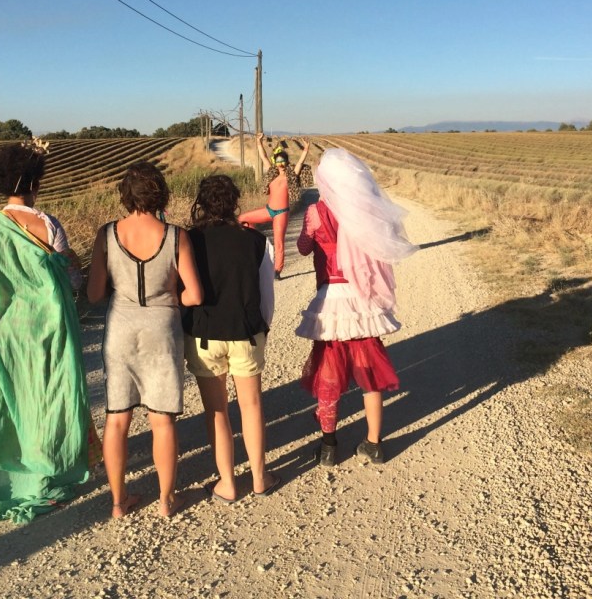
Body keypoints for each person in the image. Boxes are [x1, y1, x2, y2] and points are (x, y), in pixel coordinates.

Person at [0, 138, 91, 524]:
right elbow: (72, 281)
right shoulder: (48, 225)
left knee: (2, 404)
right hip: (44, 331)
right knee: (42, 401)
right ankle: (43, 477)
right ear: (36, 183)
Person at [87, 162, 202, 518]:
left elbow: (94, 294)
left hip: (120, 330)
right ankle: (167, 500)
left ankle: (118, 502)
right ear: (161, 193)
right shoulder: (176, 236)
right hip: (162, 329)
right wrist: (170, 297)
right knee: (162, 419)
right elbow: (194, 294)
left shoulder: (106, 234)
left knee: (116, 418)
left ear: (125, 195)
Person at [294, 148, 417, 466]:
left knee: (328, 374)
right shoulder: (363, 211)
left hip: (331, 298)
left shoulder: (316, 212)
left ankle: (328, 445)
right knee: (369, 375)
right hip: (363, 300)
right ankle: (373, 443)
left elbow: (303, 247)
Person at [182, 174, 281, 502]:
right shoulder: (255, 241)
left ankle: (227, 483)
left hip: (204, 336)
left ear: (201, 203)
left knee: (216, 410)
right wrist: (262, 327)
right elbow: (266, 296)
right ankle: (260, 478)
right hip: (246, 334)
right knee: (251, 405)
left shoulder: (187, 241)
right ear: (235, 202)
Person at [238, 133, 311, 278]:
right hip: (268, 210)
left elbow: (299, 163)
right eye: (278, 161)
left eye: (283, 161)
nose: (280, 164)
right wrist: (259, 142)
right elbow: (264, 157)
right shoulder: (272, 173)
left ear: (287, 162)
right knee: (242, 219)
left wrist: (306, 149)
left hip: (281, 213)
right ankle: (255, 242)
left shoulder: (290, 175)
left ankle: (277, 271)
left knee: (279, 243)